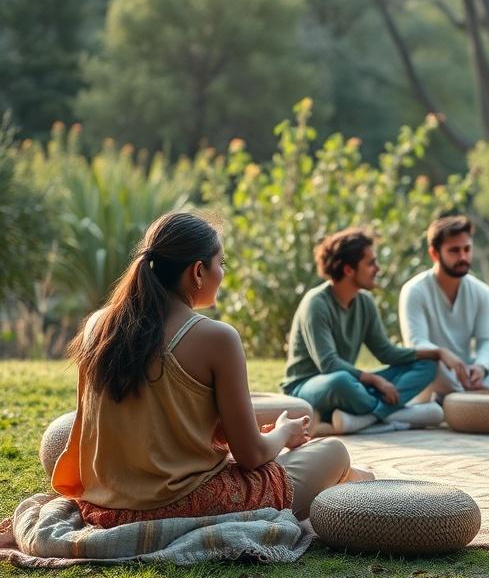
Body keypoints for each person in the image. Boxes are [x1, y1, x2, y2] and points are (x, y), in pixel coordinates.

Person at [53, 211, 358, 527]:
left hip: (104, 506)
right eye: (221, 263)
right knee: (334, 452)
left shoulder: (97, 327)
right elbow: (251, 456)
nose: (222, 273)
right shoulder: (217, 337)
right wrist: (284, 431)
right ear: (198, 271)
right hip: (179, 505)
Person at [282, 227, 467, 434]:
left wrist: (438, 353)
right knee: (342, 381)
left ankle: (365, 419)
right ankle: (395, 415)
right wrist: (376, 381)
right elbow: (329, 364)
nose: (377, 269)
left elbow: (386, 352)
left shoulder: (365, 302)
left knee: (427, 365)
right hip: (308, 387)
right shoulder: (316, 303)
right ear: (348, 269)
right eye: (370, 263)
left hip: (353, 386)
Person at [399, 215, 489, 400]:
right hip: (437, 374)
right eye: (454, 251)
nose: (463, 257)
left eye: (467, 249)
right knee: (428, 365)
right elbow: (416, 344)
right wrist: (443, 356)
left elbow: (487, 341)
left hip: (468, 373)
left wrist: (480, 367)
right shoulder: (414, 291)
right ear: (434, 254)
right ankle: (482, 396)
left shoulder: (481, 291)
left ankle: (467, 397)